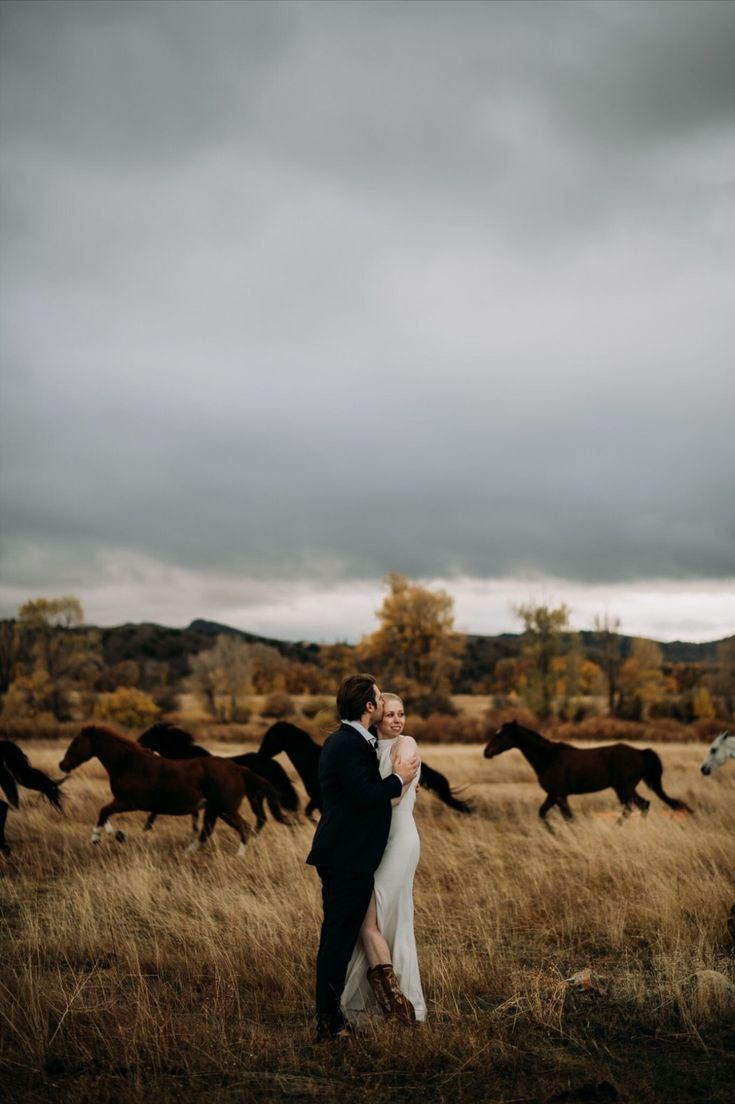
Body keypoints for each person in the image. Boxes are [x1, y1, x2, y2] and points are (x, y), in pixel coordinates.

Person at [306, 674, 419, 1041]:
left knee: (343, 936)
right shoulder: (348, 744)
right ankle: (330, 1023)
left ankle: (339, 1015)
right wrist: (398, 779)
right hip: (346, 857)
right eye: (380, 701)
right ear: (370, 706)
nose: (386, 708)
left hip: (351, 855)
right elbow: (364, 795)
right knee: (337, 940)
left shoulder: (354, 741)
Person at [341, 692, 426, 1024]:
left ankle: (399, 1003)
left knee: (375, 916)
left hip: (399, 839)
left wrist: (357, 800)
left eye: (401, 713)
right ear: (376, 717)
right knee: (380, 918)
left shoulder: (406, 743)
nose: (397, 720)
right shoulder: (369, 748)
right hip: (375, 840)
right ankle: (388, 1003)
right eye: (390, 714)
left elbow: (395, 796)